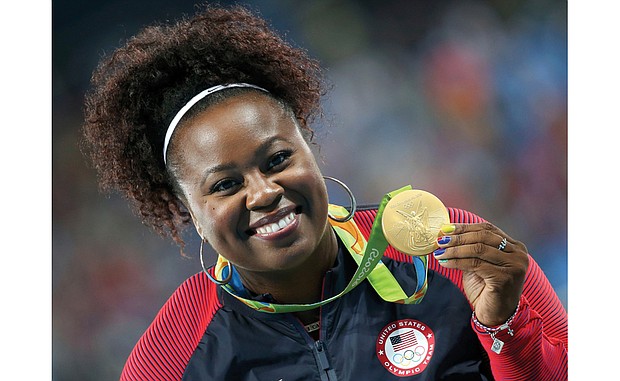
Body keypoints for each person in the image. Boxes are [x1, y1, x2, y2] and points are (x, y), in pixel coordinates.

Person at [81, 3, 567, 380]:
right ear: (183, 207)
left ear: (310, 148)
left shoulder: (448, 254)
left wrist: (507, 330)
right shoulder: (172, 357)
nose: (263, 192)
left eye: (278, 160)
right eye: (226, 185)